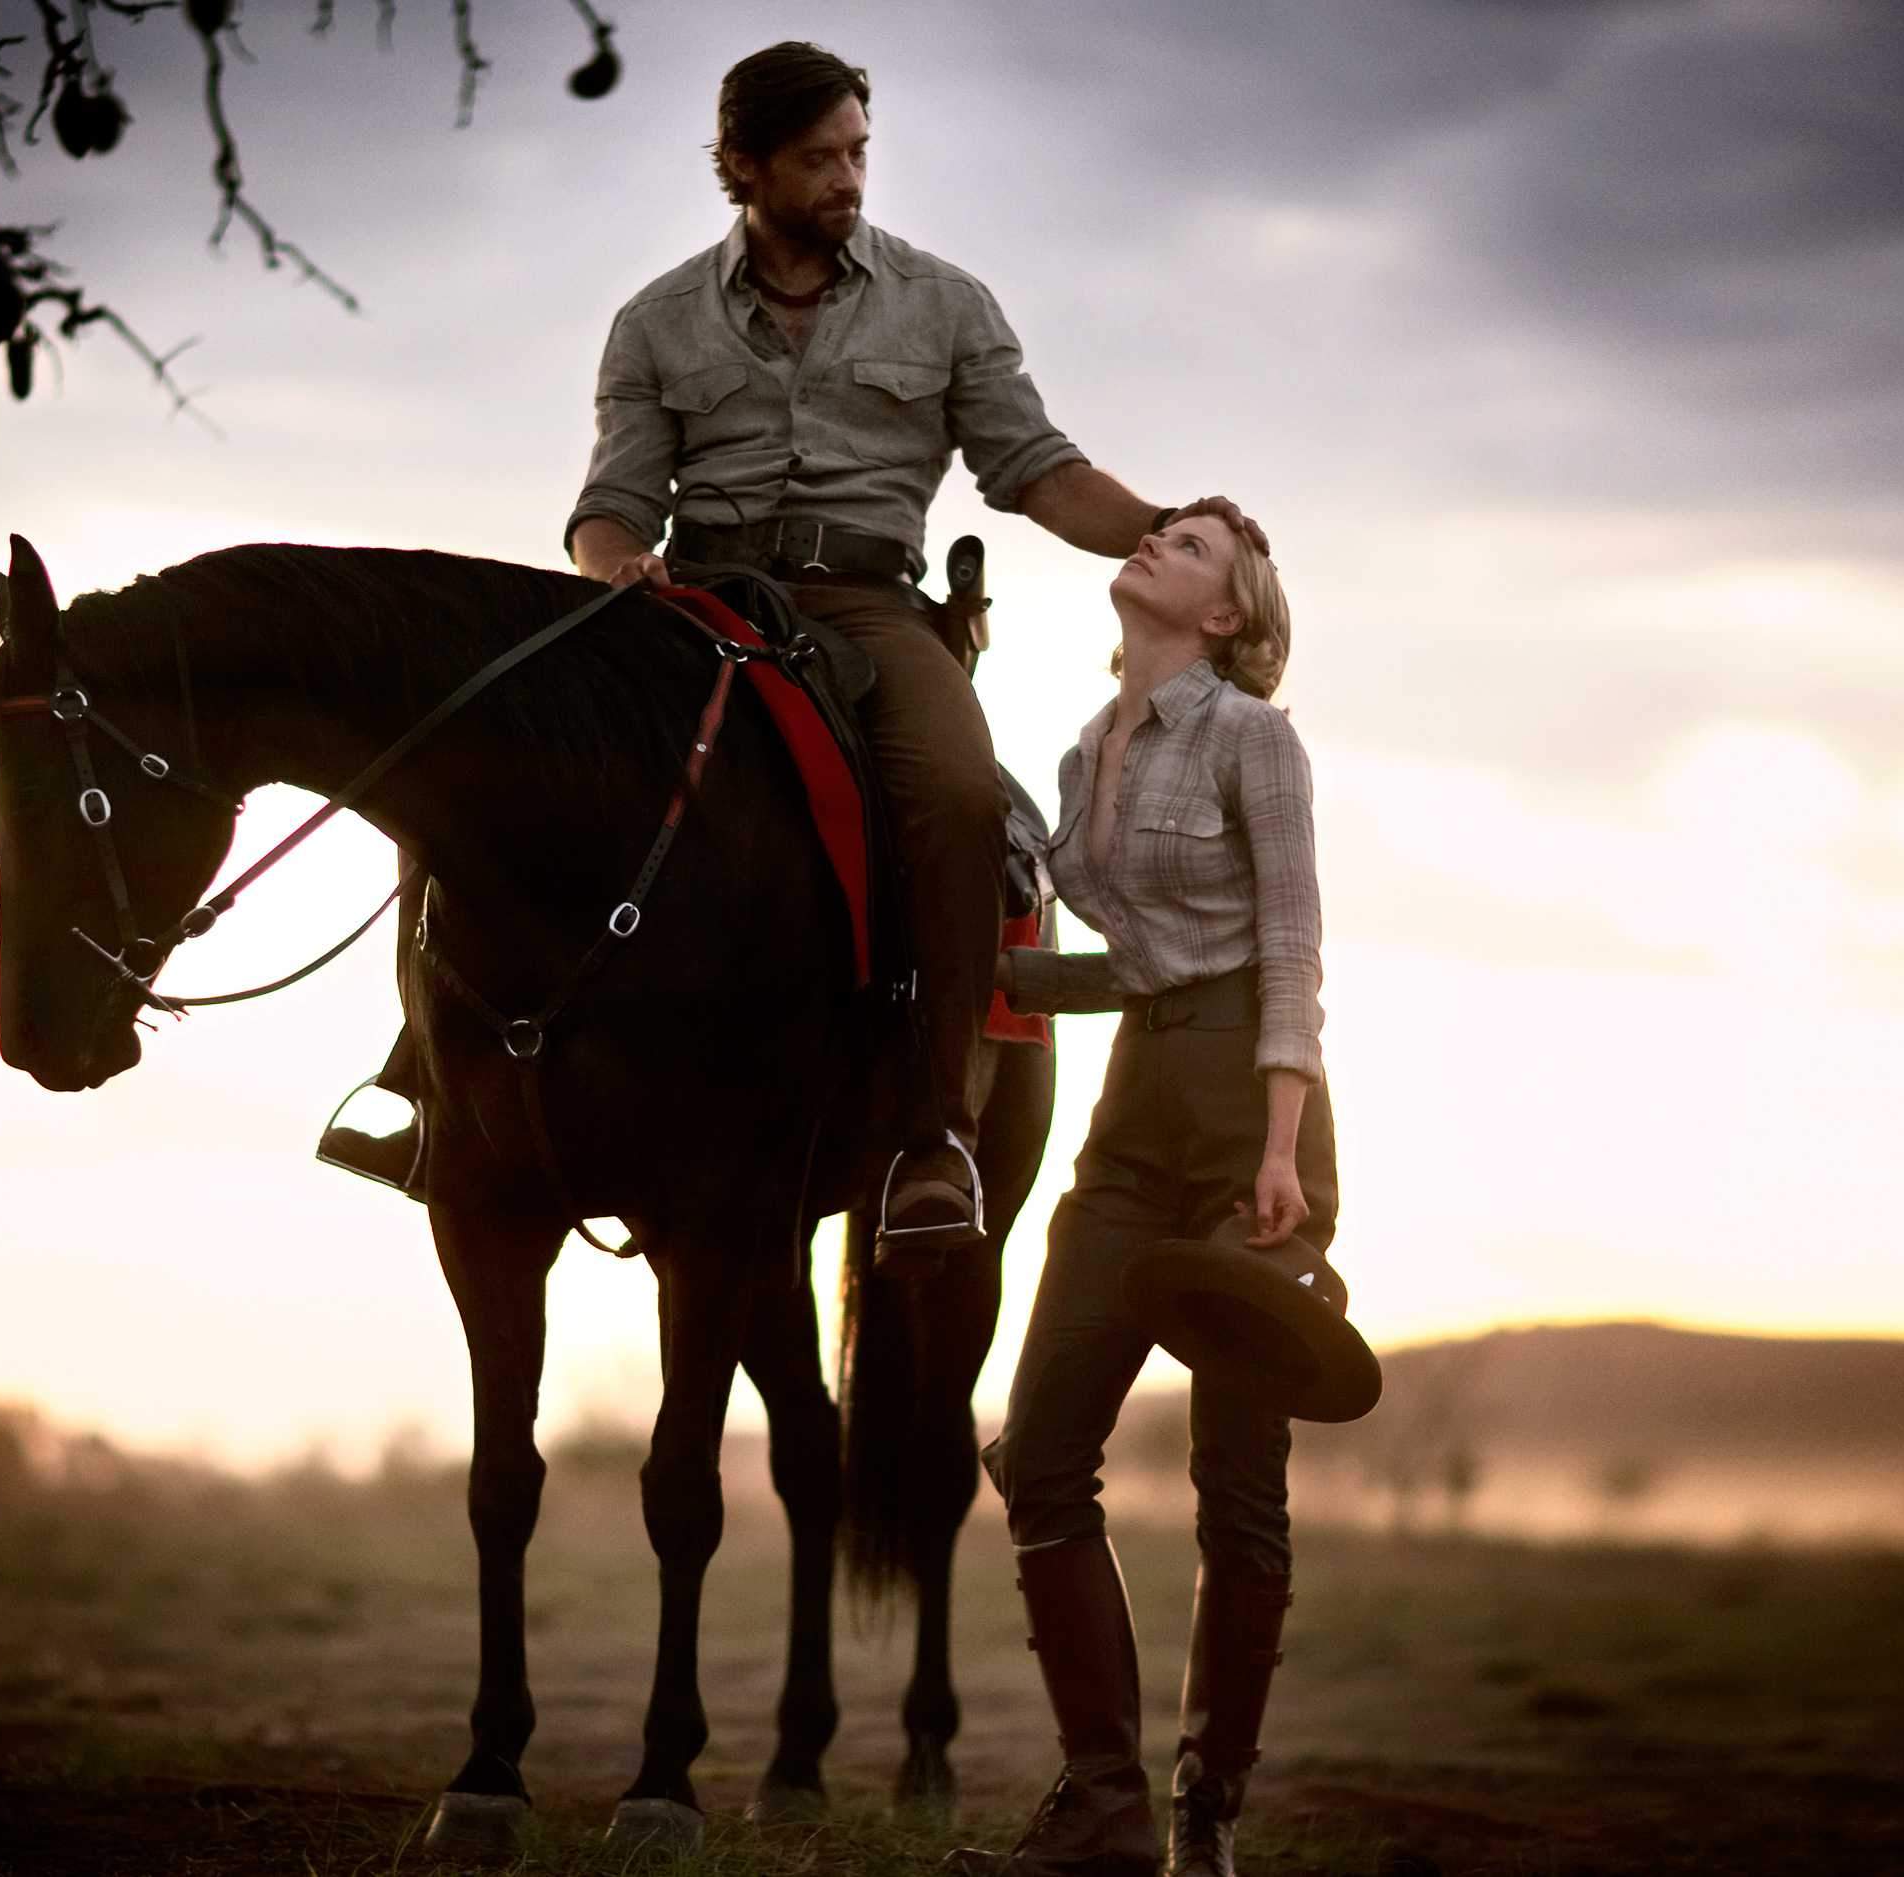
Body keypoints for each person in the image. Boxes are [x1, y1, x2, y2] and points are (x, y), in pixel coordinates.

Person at [316, 41, 1267, 1258]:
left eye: (858, 152)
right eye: (819, 159)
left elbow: (1039, 473)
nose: (848, 179)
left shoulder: (946, 301)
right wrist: (617, 570)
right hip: (692, 605)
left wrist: (1172, 527)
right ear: (744, 166)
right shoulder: (656, 319)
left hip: (870, 605)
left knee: (963, 798)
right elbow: (611, 501)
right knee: (481, 764)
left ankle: (932, 1134)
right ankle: (429, 1088)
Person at [947, 515, 1331, 1877]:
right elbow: (1132, 961)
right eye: (1162, 530)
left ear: (1227, 615)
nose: (1159, 540)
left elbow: (1288, 948)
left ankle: (1204, 1809)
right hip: (1133, 1103)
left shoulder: (1249, 739)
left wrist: (1280, 1148)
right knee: (1040, 1449)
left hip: (1250, 1113)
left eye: (1192, 544)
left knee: (1238, 1480)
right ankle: (1102, 1802)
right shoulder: (1073, 752)